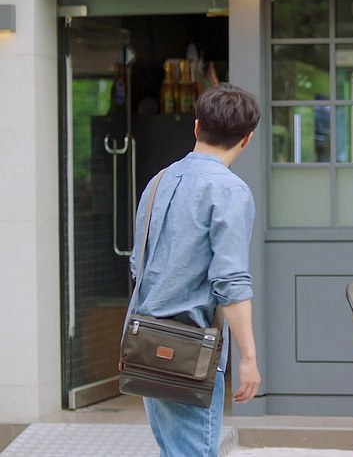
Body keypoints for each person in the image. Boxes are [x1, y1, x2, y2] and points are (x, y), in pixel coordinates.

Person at [125, 83, 262, 457]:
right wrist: (249, 358)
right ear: (247, 139)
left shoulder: (158, 181)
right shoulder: (230, 191)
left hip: (145, 343)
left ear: (197, 126)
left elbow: (139, 264)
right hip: (189, 351)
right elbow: (231, 282)